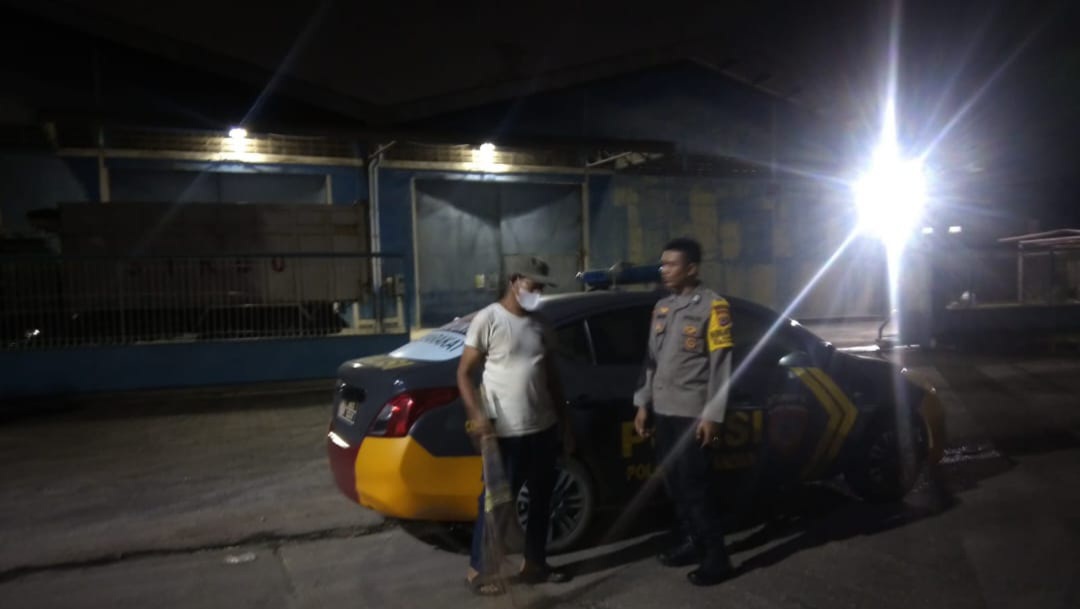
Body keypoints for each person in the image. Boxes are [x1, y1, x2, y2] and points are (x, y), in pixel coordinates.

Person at [457, 257, 573, 596]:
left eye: (541, 288)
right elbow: (463, 373)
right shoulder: (489, 319)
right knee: (496, 505)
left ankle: (535, 564)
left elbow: (552, 378)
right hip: (505, 433)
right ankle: (479, 570)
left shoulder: (541, 324)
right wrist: (477, 415)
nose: (537, 293)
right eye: (532, 286)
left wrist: (565, 424)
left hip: (543, 427)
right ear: (514, 281)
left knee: (542, 501)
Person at [632, 237, 737, 586]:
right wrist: (642, 403)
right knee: (675, 485)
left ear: (691, 268)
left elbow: (721, 367)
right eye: (662, 264)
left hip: (693, 414)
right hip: (664, 411)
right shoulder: (662, 307)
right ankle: (692, 543)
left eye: (671, 264)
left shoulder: (713, 307)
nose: (663, 270)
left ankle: (717, 558)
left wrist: (713, 416)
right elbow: (651, 361)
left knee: (696, 488)